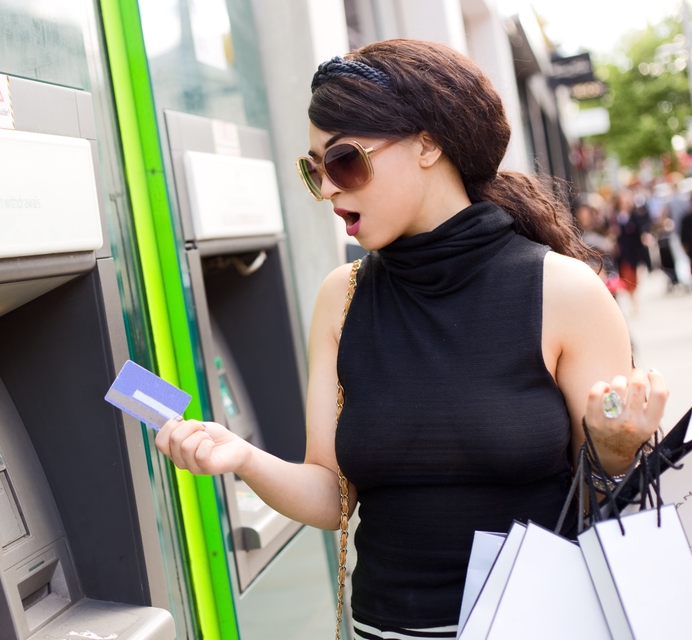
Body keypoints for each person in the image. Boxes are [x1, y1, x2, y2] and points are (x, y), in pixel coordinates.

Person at [156, 40, 668, 640]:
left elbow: (611, 507)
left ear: (429, 143)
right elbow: (333, 496)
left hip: (538, 623)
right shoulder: (340, 297)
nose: (328, 189)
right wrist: (241, 458)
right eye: (313, 168)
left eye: (345, 161)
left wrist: (615, 450)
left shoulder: (564, 291)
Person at [609, 188, 653, 311]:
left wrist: (646, 235)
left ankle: (634, 297)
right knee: (627, 275)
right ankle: (633, 301)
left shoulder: (636, 213)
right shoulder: (615, 216)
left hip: (636, 250)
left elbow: (644, 227)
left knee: (637, 275)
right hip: (623, 250)